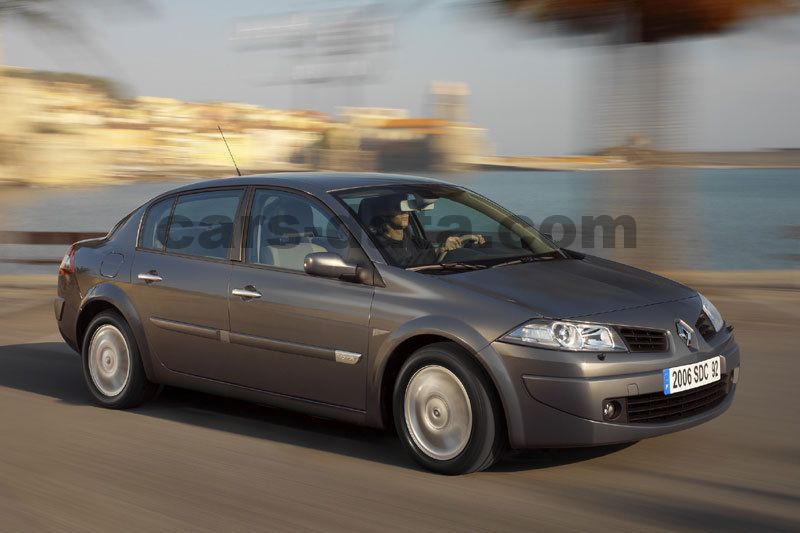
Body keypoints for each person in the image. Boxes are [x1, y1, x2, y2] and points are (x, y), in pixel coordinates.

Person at [368, 194, 485, 268]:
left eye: (407, 208)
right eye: (399, 209)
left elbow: (433, 251)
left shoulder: (413, 241)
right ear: (384, 214)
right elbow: (401, 265)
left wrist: (464, 244)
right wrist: (440, 250)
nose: (406, 213)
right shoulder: (377, 246)